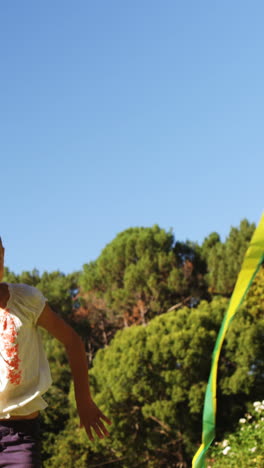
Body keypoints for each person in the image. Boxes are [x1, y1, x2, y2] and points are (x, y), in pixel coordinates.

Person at [0, 237, 111, 467]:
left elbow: (72, 341)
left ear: (3, 253)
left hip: (19, 437)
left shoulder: (26, 300)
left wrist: (84, 401)